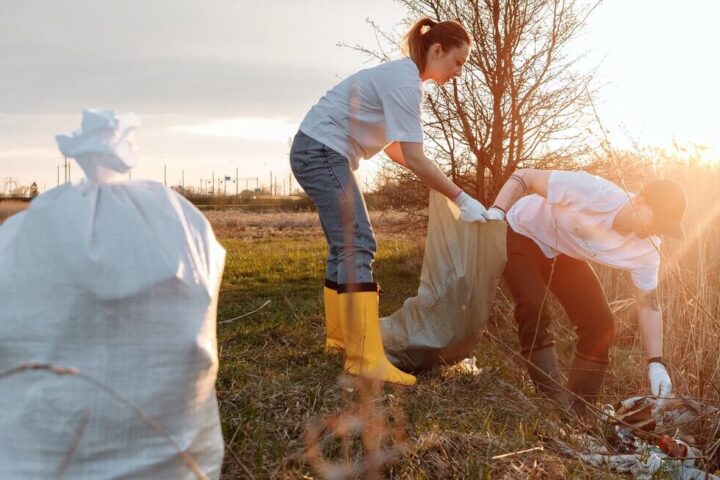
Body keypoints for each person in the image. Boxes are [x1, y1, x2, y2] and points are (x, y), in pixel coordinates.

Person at [290, 17, 488, 385]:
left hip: (318, 149)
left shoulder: (406, 81)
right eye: (457, 62)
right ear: (437, 50)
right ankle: (364, 358)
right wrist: (462, 198)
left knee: (345, 245)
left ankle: (341, 342)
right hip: (321, 150)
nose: (459, 72)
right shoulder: (404, 83)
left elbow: (398, 150)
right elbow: (413, 156)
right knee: (359, 243)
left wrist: (446, 188)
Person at [485, 169, 686, 415]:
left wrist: (656, 363)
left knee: (601, 323)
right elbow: (525, 176)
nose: (657, 230)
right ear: (639, 201)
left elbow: (648, 303)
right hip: (522, 231)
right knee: (533, 305)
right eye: (657, 221)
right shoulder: (594, 192)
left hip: (562, 251)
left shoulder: (648, 250)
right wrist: (497, 211)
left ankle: (580, 411)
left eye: (664, 227)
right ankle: (552, 405)